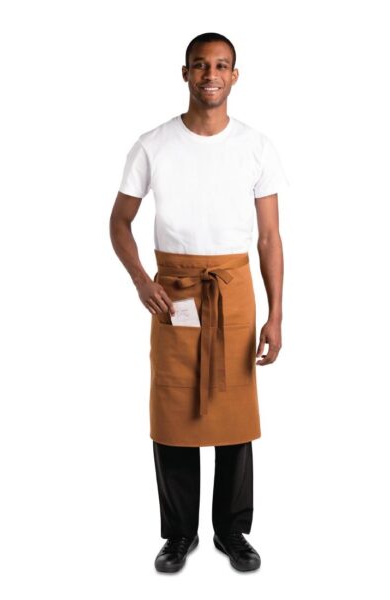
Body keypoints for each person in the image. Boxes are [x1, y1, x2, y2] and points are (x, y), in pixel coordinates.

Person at [109, 32, 288, 573]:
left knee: (235, 415)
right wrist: (141, 281)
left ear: (235, 76)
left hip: (232, 294)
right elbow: (119, 221)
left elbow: (269, 238)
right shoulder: (153, 144)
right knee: (173, 412)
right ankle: (179, 534)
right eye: (201, 65)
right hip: (174, 295)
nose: (211, 74)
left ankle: (232, 531)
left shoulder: (256, 146)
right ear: (185, 73)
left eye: (222, 65)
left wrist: (276, 315)